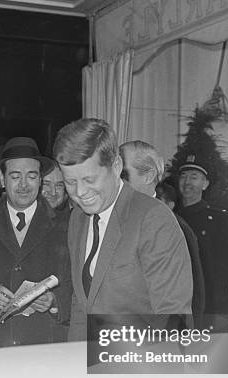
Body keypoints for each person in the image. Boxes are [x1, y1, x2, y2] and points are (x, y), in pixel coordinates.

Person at [53, 119, 192, 341]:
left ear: (116, 166)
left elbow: (172, 316)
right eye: (70, 182)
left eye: (89, 179)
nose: (80, 192)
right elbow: (81, 305)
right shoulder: (77, 219)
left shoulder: (153, 219)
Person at [0, 137, 72, 346]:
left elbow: (81, 288)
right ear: (2, 179)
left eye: (31, 176)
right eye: (15, 176)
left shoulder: (68, 227)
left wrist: (54, 301)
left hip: (47, 351)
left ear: (40, 179)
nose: (23, 185)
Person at [120, 141, 205, 326]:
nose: (116, 181)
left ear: (149, 176)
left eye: (123, 174)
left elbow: (192, 295)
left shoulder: (173, 225)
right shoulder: (112, 219)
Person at [175, 154, 228, 320]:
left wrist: (223, 310)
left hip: (211, 307)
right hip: (178, 306)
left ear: (205, 184)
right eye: (183, 176)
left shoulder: (220, 220)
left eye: (194, 177)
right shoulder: (170, 218)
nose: (187, 182)